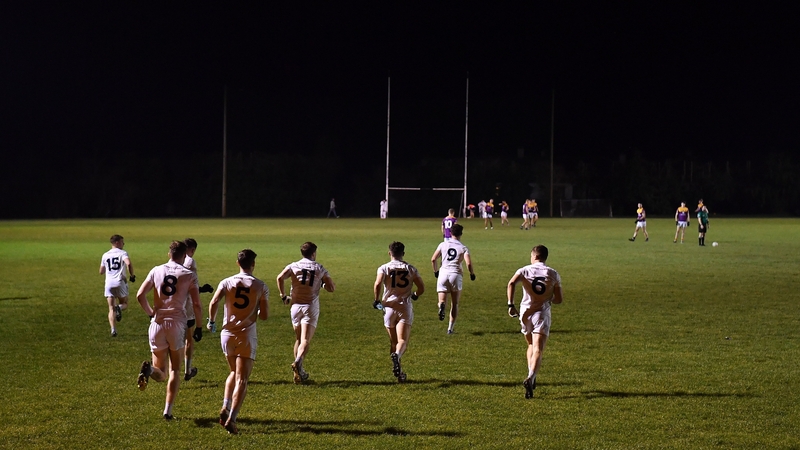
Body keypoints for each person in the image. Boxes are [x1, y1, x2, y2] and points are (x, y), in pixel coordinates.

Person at [135, 240, 202, 421]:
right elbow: (196, 303)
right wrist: (200, 326)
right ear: (184, 256)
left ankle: (150, 371)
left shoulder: (156, 270)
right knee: (175, 371)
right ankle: (168, 411)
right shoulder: (188, 274)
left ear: (169, 254)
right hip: (177, 324)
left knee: (161, 372)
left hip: (157, 324)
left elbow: (140, 296)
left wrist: (151, 313)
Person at [207, 249, 269, 434]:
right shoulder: (260, 286)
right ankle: (232, 419)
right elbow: (264, 316)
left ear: (237, 263)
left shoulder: (227, 282)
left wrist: (211, 322)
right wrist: (256, 309)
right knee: (242, 379)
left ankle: (225, 406)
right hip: (246, 335)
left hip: (226, 335)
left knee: (233, 371)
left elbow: (213, 302)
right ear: (253, 264)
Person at [506, 245, 563, 399]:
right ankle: (531, 377)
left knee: (530, 345)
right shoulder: (553, 273)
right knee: (538, 349)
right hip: (542, 313)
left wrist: (511, 305)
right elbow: (559, 299)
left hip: (525, 313)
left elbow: (511, 284)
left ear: (534, 256)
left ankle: (532, 374)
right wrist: (548, 298)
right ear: (545, 257)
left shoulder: (524, 270)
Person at [276, 242, 335, 384]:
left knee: (298, 339)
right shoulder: (319, 268)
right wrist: (321, 283)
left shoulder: (293, 265)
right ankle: (298, 361)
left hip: (295, 307)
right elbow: (331, 288)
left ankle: (298, 374)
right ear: (313, 253)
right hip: (310, 307)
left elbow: (279, 278)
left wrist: (283, 295)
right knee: (305, 340)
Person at [373, 241, 425, 382]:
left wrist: (376, 300)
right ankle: (398, 356)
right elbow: (421, 287)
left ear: (390, 253)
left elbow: (378, 284)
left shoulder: (383, 268)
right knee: (402, 341)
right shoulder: (410, 269)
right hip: (404, 306)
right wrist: (415, 295)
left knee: (393, 342)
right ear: (403, 253)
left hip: (388, 307)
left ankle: (400, 373)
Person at [430, 224, 475, 334]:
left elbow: (433, 259)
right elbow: (468, 263)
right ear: (461, 234)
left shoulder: (442, 244)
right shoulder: (463, 247)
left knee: (441, 300)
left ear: (450, 233)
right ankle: (450, 329)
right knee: (454, 304)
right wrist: (472, 273)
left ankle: (441, 306)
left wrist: (436, 272)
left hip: (443, 273)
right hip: (456, 274)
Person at [181, 238, 214, 381]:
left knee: (173, 341)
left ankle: (167, 370)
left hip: (171, 306)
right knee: (188, 340)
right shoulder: (190, 262)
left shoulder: (174, 260)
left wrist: (201, 289)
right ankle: (187, 370)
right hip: (187, 307)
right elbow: (189, 286)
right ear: (192, 249)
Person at [99, 234, 136, 337]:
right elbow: (128, 263)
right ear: (117, 243)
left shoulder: (105, 255)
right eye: (122, 242)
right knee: (125, 303)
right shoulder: (123, 253)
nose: (123, 244)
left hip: (109, 284)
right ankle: (119, 307)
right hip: (120, 282)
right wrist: (132, 275)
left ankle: (113, 329)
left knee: (111, 308)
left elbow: (101, 271)